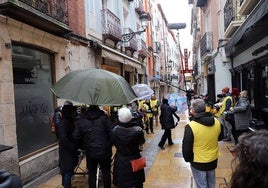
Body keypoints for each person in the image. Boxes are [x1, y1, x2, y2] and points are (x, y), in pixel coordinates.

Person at [182, 99, 223, 188]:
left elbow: (187, 148)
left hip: (198, 161)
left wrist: (188, 159)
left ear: (193, 110)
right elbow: (220, 137)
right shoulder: (216, 122)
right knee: (211, 183)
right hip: (213, 159)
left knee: (202, 185)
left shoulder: (191, 126)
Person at [73, 105, 114, 188]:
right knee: (106, 173)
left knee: (92, 174)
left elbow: (75, 136)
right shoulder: (105, 118)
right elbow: (112, 133)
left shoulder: (82, 120)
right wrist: (109, 144)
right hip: (104, 150)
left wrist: (83, 146)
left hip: (90, 151)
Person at [111, 107, 146, 188]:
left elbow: (113, 142)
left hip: (121, 158)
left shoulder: (115, 131)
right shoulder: (138, 130)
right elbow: (142, 142)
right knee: (137, 181)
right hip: (135, 157)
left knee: (122, 182)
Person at [56, 100, 79, 188]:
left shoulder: (67, 121)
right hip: (67, 151)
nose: (75, 114)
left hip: (67, 150)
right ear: (69, 112)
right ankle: (67, 185)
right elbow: (63, 138)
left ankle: (66, 185)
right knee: (67, 171)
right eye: (73, 112)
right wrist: (72, 147)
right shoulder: (64, 123)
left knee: (66, 170)